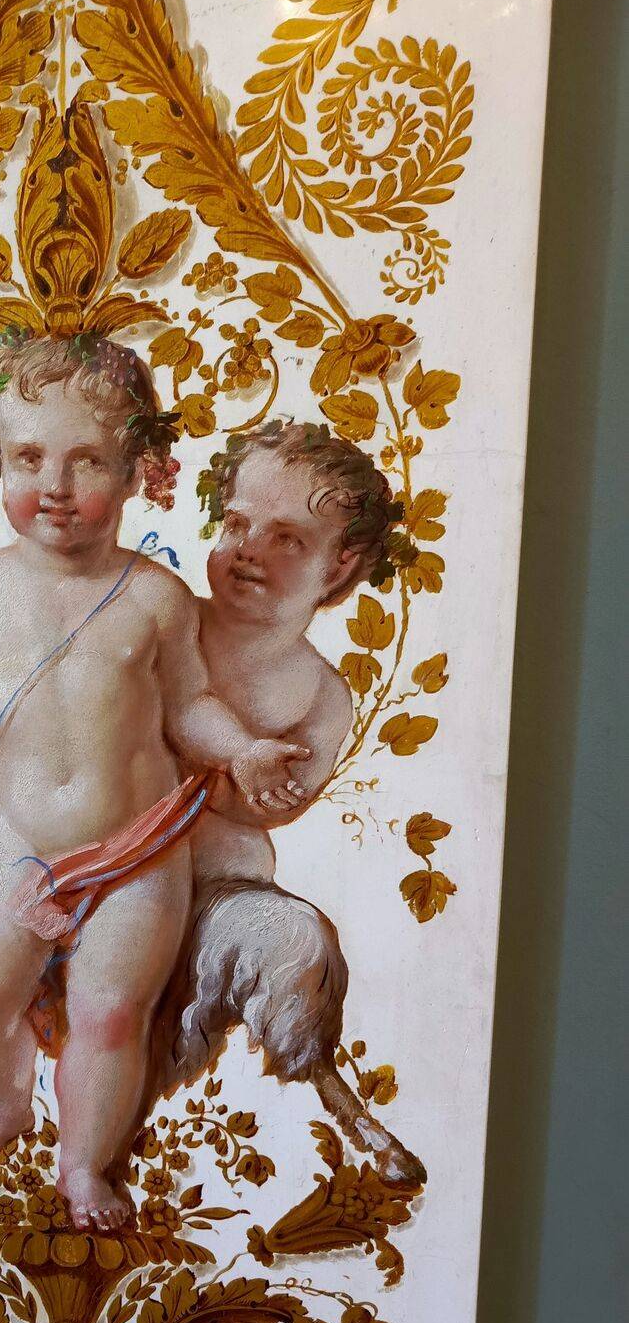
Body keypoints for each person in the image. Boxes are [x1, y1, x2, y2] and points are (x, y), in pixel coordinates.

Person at [0, 336, 307, 1231]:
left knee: (110, 1015)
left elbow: (189, 705)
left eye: (87, 461)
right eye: (28, 457)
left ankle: (82, 1166)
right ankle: (4, 1105)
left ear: (138, 471)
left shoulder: (153, 596)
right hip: (12, 841)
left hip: (136, 847)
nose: (55, 486)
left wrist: (242, 751)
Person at [149, 421, 426, 1184]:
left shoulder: (320, 693)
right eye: (236, 525)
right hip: (101, 867)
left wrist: (207, 763)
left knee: (296, 940)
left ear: (340, 565)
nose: (249, 550)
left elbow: (268, 806)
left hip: (214, 892)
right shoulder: (166, 618)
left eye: (286, 540)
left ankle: (334, 1097)